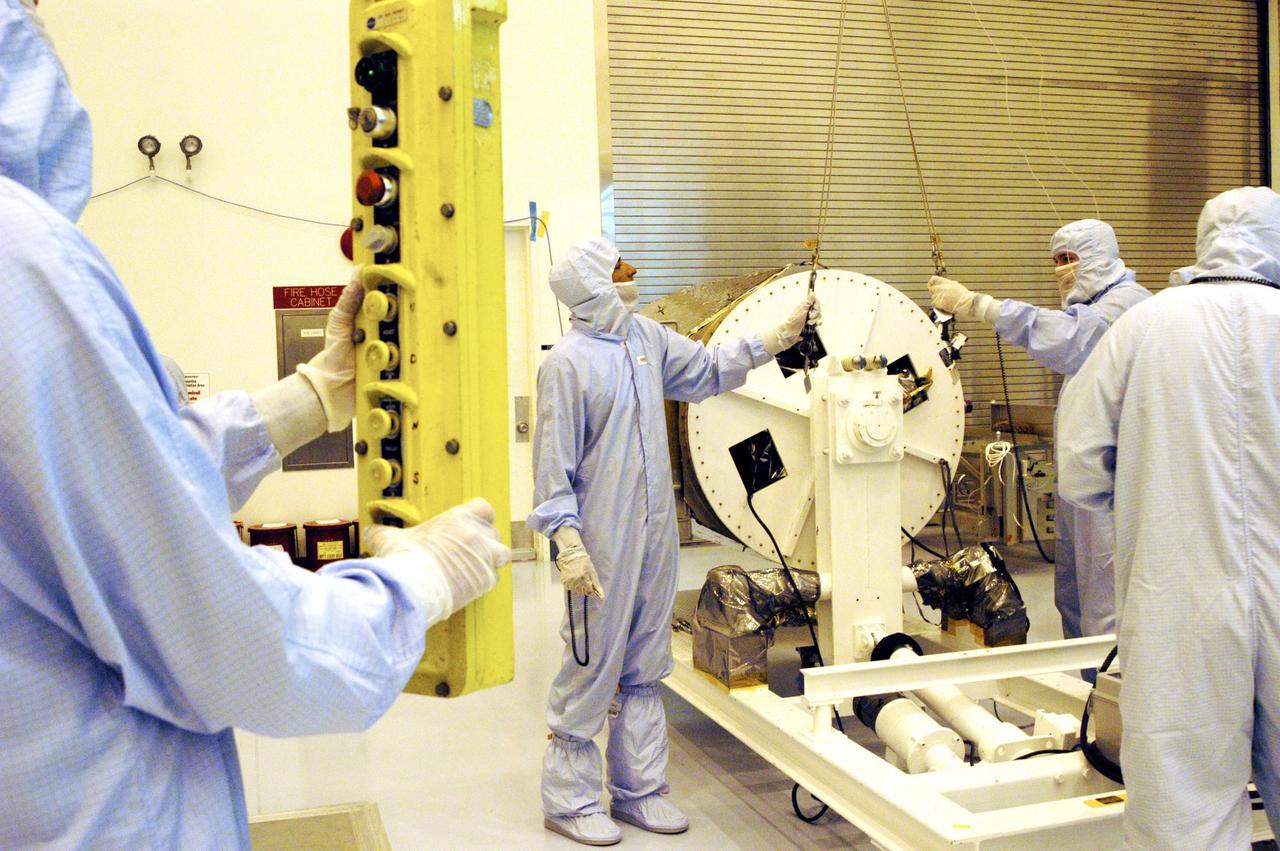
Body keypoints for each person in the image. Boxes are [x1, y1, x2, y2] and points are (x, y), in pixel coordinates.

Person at [0, 4, 509, 847]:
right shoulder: (23, 261)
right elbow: (221, 633)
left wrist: (310, 397)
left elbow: (91, 484)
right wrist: (411, 587)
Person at [530, 238, 819, 846]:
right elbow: (552, 468)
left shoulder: (645, 339)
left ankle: (640, 792)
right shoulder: (567, 364)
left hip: (656, 532)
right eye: (618, 272)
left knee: (644, 660)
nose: (632, 278)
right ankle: (570, 799)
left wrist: (777, 337)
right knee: (592, 662)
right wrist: (567, 543)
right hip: (601, 542)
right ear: (591, 287)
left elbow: (709, 370)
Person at [1057, 186, 1280, 849]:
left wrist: (1151, 502)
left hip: (1177, 596)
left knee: (1185, 813)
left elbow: (1077, 466)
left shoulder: (1143, 327)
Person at [928, 219, 1150, 642]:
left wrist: (979, 305)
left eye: (1071, 259)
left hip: (1116, 487)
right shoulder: (1092, 309)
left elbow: (1068, 340)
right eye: (1057, 261)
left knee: (1106, 604)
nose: (1062, 270)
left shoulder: (1126, 306)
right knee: (1075, 596)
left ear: (1100, 257)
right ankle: (1091, 692)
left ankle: (1116, 697)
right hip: (1085, 484)